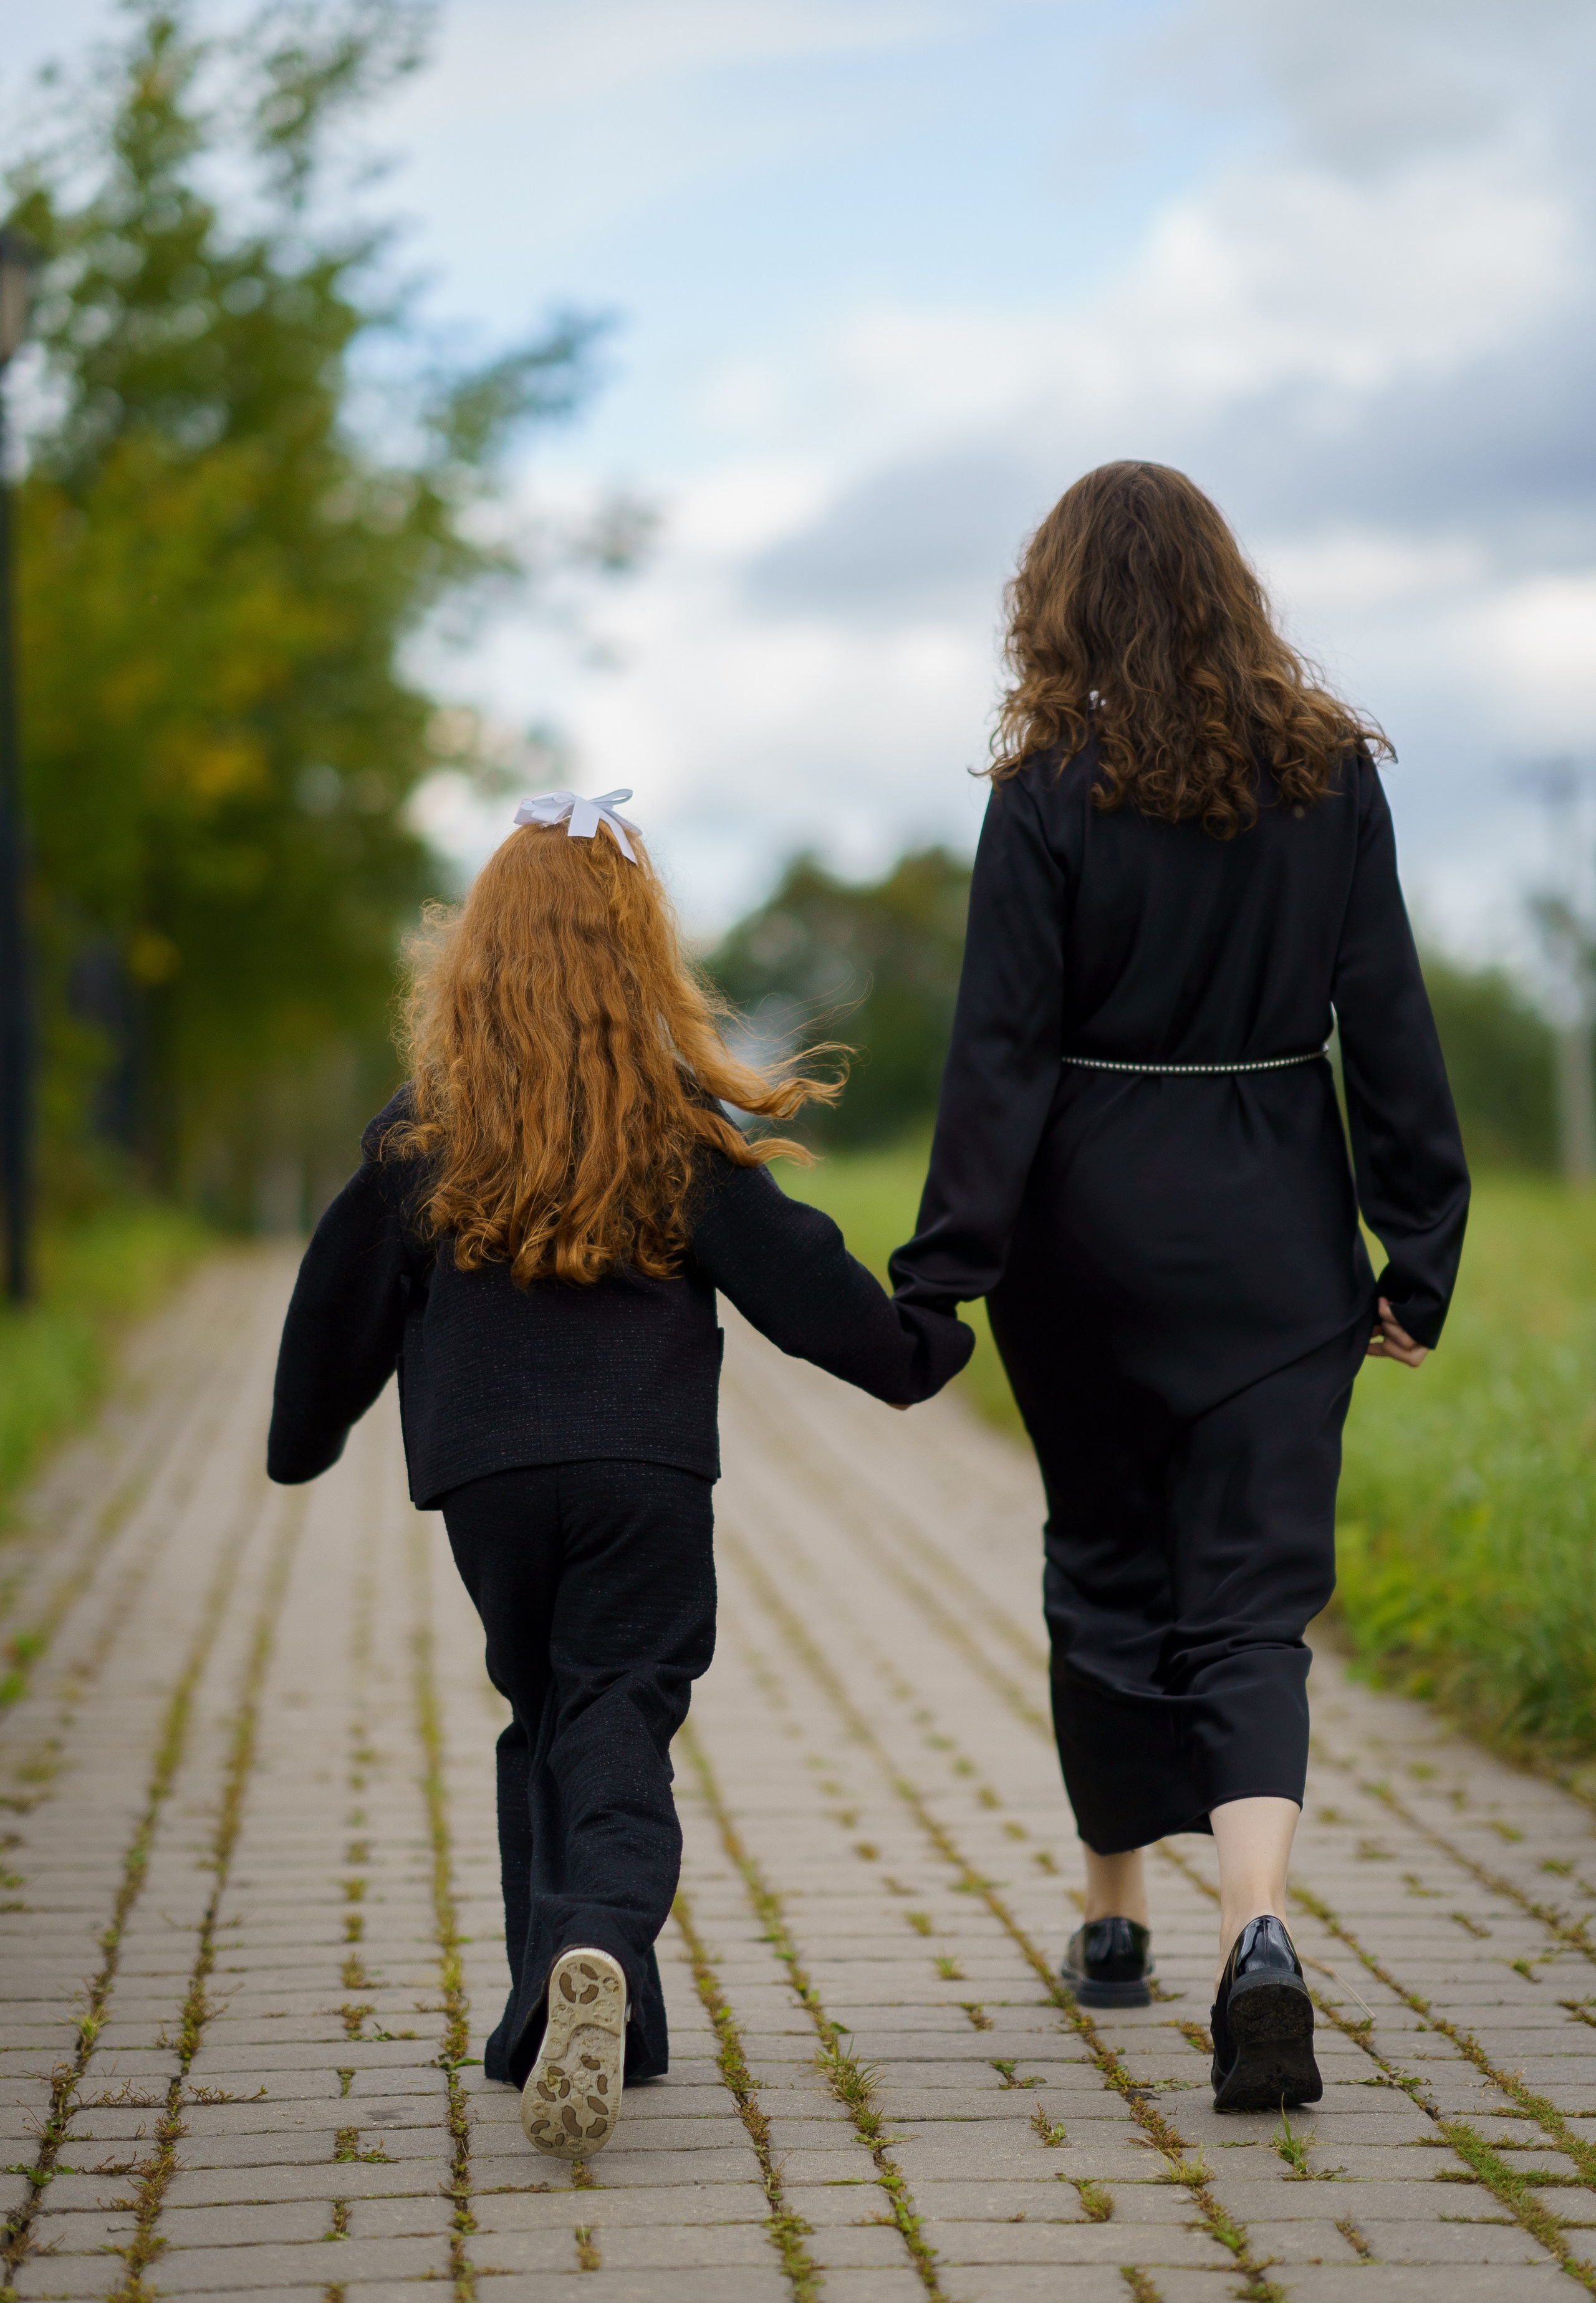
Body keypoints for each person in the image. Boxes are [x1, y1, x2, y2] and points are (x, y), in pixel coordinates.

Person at [267, 790, 972, 2159]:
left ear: (478, 952)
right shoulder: (671, 1126)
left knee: (546, 1710)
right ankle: (592, 1946)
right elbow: (807, 1289)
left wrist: (304, 1443)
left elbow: (336, 1301)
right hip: (640, 1474)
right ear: (638, 953)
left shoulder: (426, 1128)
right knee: (614, 1717)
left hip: (486, 1482)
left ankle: (573, 2011)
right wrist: (923, 1338)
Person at [890, 463, 1468, 2111]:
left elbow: (996, 1053)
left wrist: (943, 1282)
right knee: (1254, 1593)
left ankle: (1113, 1917)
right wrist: (1417, 1251)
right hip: (1279, 1232)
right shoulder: (1332, 779)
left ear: (1057, 598)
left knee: (1107, 1562)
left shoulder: (1045, 787)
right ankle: (1258, 1925)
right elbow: (1394, 1027)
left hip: (1086, 1240)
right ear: (1231, 585)